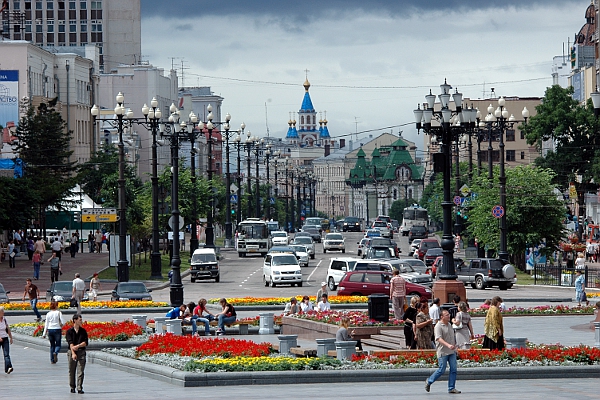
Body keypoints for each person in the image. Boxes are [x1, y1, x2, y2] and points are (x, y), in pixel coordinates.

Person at [425, 309, 461, 394]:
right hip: (443, 351)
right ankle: (429, 381)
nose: (449, 316)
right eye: (446, 315)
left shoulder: (449, 324)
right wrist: (448, 345)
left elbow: (452, 337)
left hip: (451, 351)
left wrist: (455, 348)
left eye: (449, 314)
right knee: (442, 369)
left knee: (453, 369)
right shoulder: (438, 326)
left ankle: (451, 387)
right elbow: (438, 338)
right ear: (441, 317)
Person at [66, 314, 88, 394]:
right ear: (75, 320)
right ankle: (72, 387)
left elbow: (85, 342)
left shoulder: (83, 331)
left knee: (80, 371)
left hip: (81, 352)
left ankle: (79, 387)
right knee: (71, 370)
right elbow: (70, 343)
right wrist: (73, 353)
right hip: (72, 352)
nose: (81, 321)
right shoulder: (69, 331)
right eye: (80, 320)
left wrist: (78, 346)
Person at [0, 307, 14, 375]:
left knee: (6, 354)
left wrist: (11, 337)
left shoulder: (4, 319)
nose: (3, 313)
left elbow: (7, 328)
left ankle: (8, 368)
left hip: (5, 338)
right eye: (2, 312)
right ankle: (8, 367)